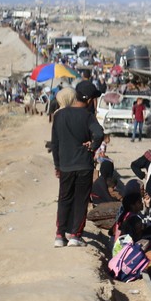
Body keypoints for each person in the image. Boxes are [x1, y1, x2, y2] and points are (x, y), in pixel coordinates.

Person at [50, 80, 104, 248]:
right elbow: (100, 133)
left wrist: (57, 165)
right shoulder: (88, 116)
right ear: (88, 100)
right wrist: (93, 146)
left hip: (65, 165)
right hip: (84, 165)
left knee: (64, 199)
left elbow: (55, 143)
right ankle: (75, 235)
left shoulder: (59, 115)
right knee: (81, 200)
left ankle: (60, 235)